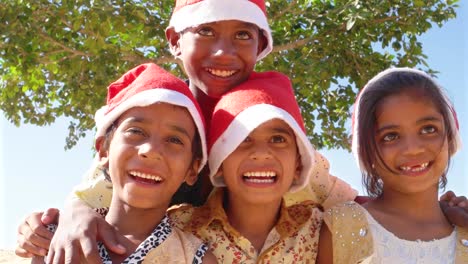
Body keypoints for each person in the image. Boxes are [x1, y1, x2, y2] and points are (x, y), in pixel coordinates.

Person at [15, 0, 468, 261]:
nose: (223, 51)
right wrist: (68, 215)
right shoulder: (158, 116)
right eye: (206, 31)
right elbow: (98, 193)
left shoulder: (267, 116)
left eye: (243, 36)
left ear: (262, 45)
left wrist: (427, 204)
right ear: (174, 41)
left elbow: (343, 198)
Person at [33, 63, 217, 263]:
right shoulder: (54, 239)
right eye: (136, 132)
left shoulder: (195, 257)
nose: (151, 151)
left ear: (193, 169)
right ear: (104, 150)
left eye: (174, 140)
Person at [316, 68, 468, 263]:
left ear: (450, 138)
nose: (413, 149)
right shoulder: (342, 227)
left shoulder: (464, 232)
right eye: (391, 136)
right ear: (366, 151)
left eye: (428, 129)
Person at [169, 71, 323, 262]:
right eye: (243, 139)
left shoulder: (320, 228)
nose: (260, 153)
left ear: (299, 164)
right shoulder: (178, 227)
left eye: (277, 139)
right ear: (219, 165)